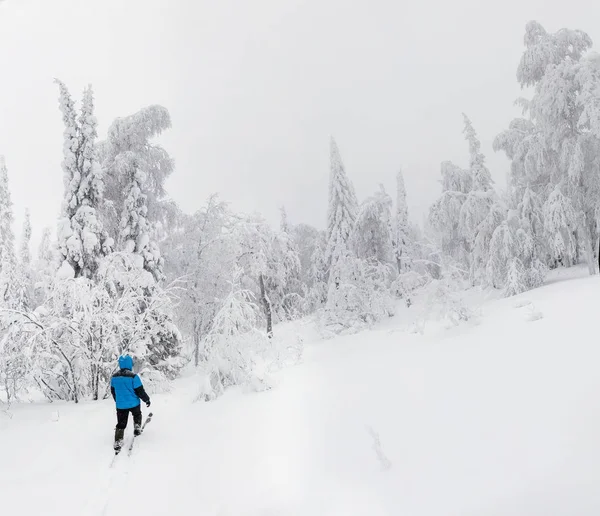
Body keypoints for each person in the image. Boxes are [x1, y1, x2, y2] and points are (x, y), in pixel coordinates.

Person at [110, 355, 151, 451]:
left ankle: (118, 441)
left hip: (120, 405)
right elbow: (140, 391)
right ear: (129, 364)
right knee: (137, 414)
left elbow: (113, 391)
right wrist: (146, 400)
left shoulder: (114, 377)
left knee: (121, 423)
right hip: (134, 403)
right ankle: (137, 427)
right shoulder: (133, 377)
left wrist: (118, 400)